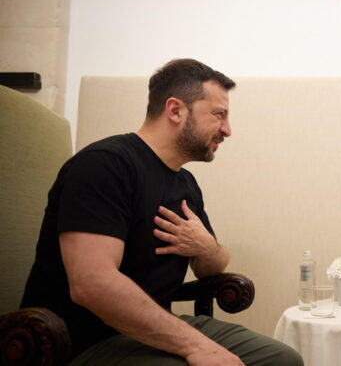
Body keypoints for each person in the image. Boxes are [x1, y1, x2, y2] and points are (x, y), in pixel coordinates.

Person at [20, 58, 303, 366]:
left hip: (155, 328)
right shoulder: (104, 165)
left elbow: (212, 266)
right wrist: (197, 347)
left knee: (282, 359)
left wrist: (207, 247)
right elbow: (92, 284)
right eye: (219, 115)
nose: (228, 130)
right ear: (175, 110)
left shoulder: (185, 182)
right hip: (86, 341)